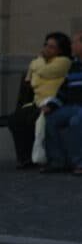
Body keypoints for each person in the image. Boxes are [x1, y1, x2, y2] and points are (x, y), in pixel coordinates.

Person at [7, 32, 71, 169]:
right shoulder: (42, 63)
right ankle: (24, 158)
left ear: (60, 50)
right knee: (15, 119)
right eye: (46, 45)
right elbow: (31, 81)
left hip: (53, 103)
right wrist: (38, 66)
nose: (46, 49)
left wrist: (38, 61)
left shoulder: (64, 62)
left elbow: (44, 72)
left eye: (52, 47)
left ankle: (40, 157)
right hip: (37, 102)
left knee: (33, 119)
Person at [42, 30, 82, 175]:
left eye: (74, 42)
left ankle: (79, 163)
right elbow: (63, 91)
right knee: (51, 119)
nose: (71, 45)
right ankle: (57, 161)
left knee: (76, 121)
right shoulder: (74, 65)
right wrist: (51, 105)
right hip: (72, 106)